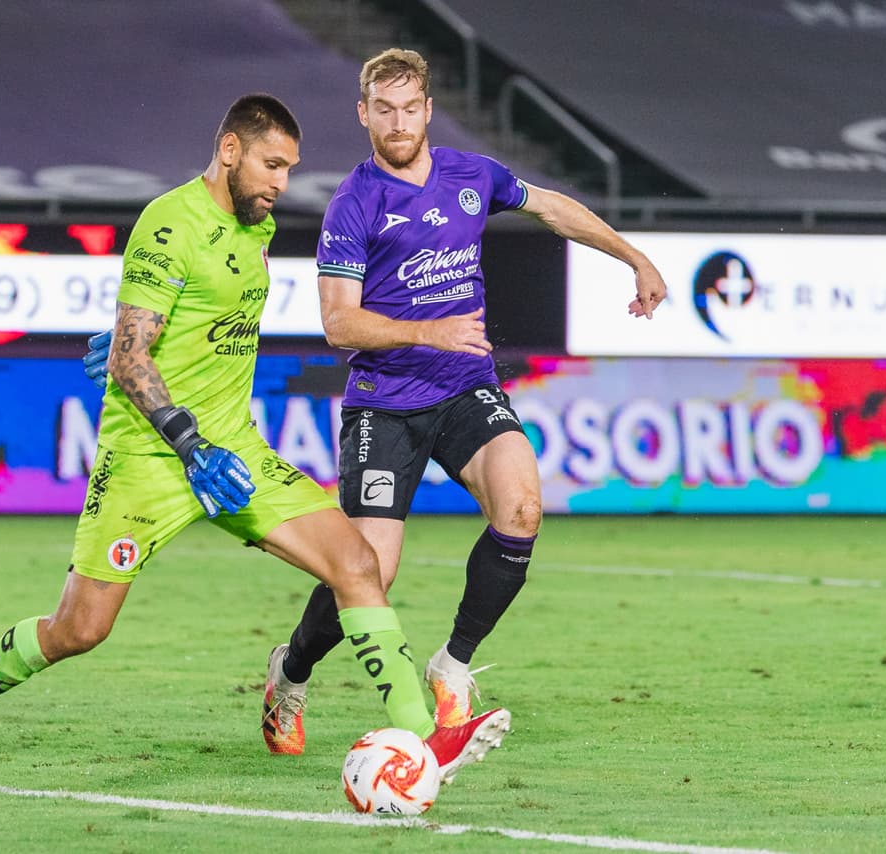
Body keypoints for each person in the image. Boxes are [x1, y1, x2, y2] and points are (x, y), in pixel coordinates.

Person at [0, 93, 509, 804]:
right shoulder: (169, 223)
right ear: (230, 150)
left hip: (237, 452)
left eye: (289, 169)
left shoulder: (250, 228)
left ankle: (421, 740)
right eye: (272, 165)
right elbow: (134, 362)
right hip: (152, 459)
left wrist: (157, 362)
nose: (281, 183)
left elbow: (182, 326)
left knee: (357, 563)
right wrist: (187, 441)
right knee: (79, 628)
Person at [255, 49, 667, 752]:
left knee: (523, 508)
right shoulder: (353, 204)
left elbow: (553, 208)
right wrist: (430, 329)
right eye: (383, 109)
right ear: (363, 115)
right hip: (382, 402)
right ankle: (290, 675)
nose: (398, 121)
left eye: (410, 107)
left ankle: (453, 666)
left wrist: (634, 256)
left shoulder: (471, 176)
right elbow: (338, 322)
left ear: (427, 109)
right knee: (370, 568)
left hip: (464, 387)